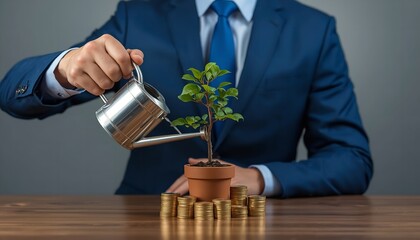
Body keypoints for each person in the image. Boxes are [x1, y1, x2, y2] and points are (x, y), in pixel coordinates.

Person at [0, 0, 373, 198]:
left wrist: (259, 179)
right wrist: (65, 69)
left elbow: (350, 159)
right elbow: (11, 93)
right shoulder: (139, 14)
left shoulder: (312, 29)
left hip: (259, 222)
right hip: (146, 215)